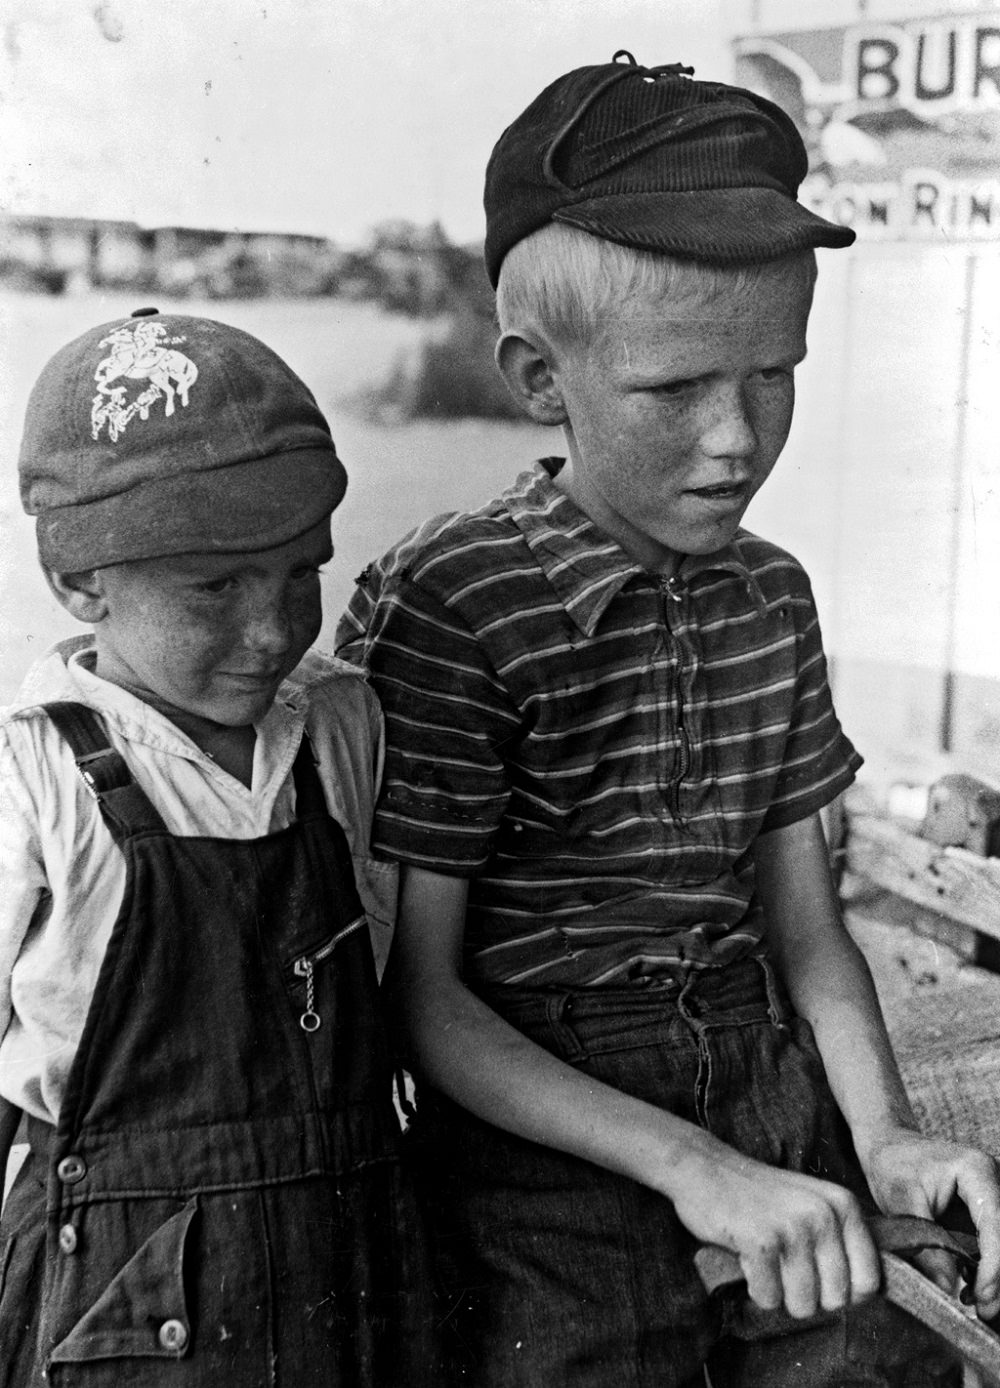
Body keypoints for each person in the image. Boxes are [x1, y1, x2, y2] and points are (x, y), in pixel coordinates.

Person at [336, 52, 1000, 1387]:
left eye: (773, 375)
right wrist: (697, 1168)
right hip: (542, 1144)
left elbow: (809, 933)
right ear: (539, 377)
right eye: (673, 389)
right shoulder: (458, 604)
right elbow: (427, 998)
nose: (736, 438)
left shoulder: (774, 596)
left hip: (768, 1085)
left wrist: (886, 1139)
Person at [0, 310, 432, 1386]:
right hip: (123, 1317)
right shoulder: (32, 775)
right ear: (80, 581)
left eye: (300, 574)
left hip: (354, 1277)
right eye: (215, 588)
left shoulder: (340, 725)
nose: (273, 629)